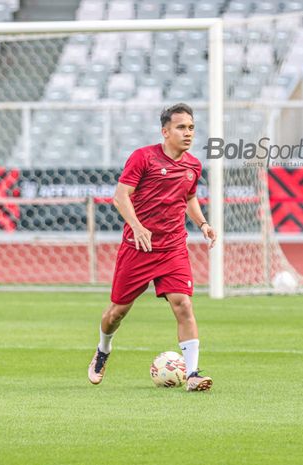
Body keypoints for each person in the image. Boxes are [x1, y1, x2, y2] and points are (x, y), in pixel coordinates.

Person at [88, 103, 217, 392]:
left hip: (172, 247)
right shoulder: (143, 158)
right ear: (165, 131)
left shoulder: (193, 165)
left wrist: (203, 224)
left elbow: (189, 198)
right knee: (116, 313)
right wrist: (137, 225)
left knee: (183, 305)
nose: (188, 133)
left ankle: (194, 373)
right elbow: (121, 197)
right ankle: (103, 349)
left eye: (191, 127)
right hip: (138, 248)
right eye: (181, 127)